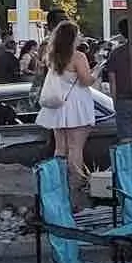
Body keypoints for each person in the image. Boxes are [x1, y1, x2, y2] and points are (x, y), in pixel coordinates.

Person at [35, 20, 99, 185]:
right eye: (78, 34)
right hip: (76, 104)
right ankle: (76, 183)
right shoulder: (78, 56)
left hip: (58, 104)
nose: (80, 37)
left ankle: (58, 183)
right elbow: (85, 81)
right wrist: (96, 73)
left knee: (60, 147)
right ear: (72, 37)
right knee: (76, 147)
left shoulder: (52, 56)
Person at [101, 19, 132, 143]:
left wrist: (115, 102)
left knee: (126, 139)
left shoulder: (116, 54)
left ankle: (129, 156)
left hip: (123, 100)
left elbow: (112, 81)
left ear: (122, 33)